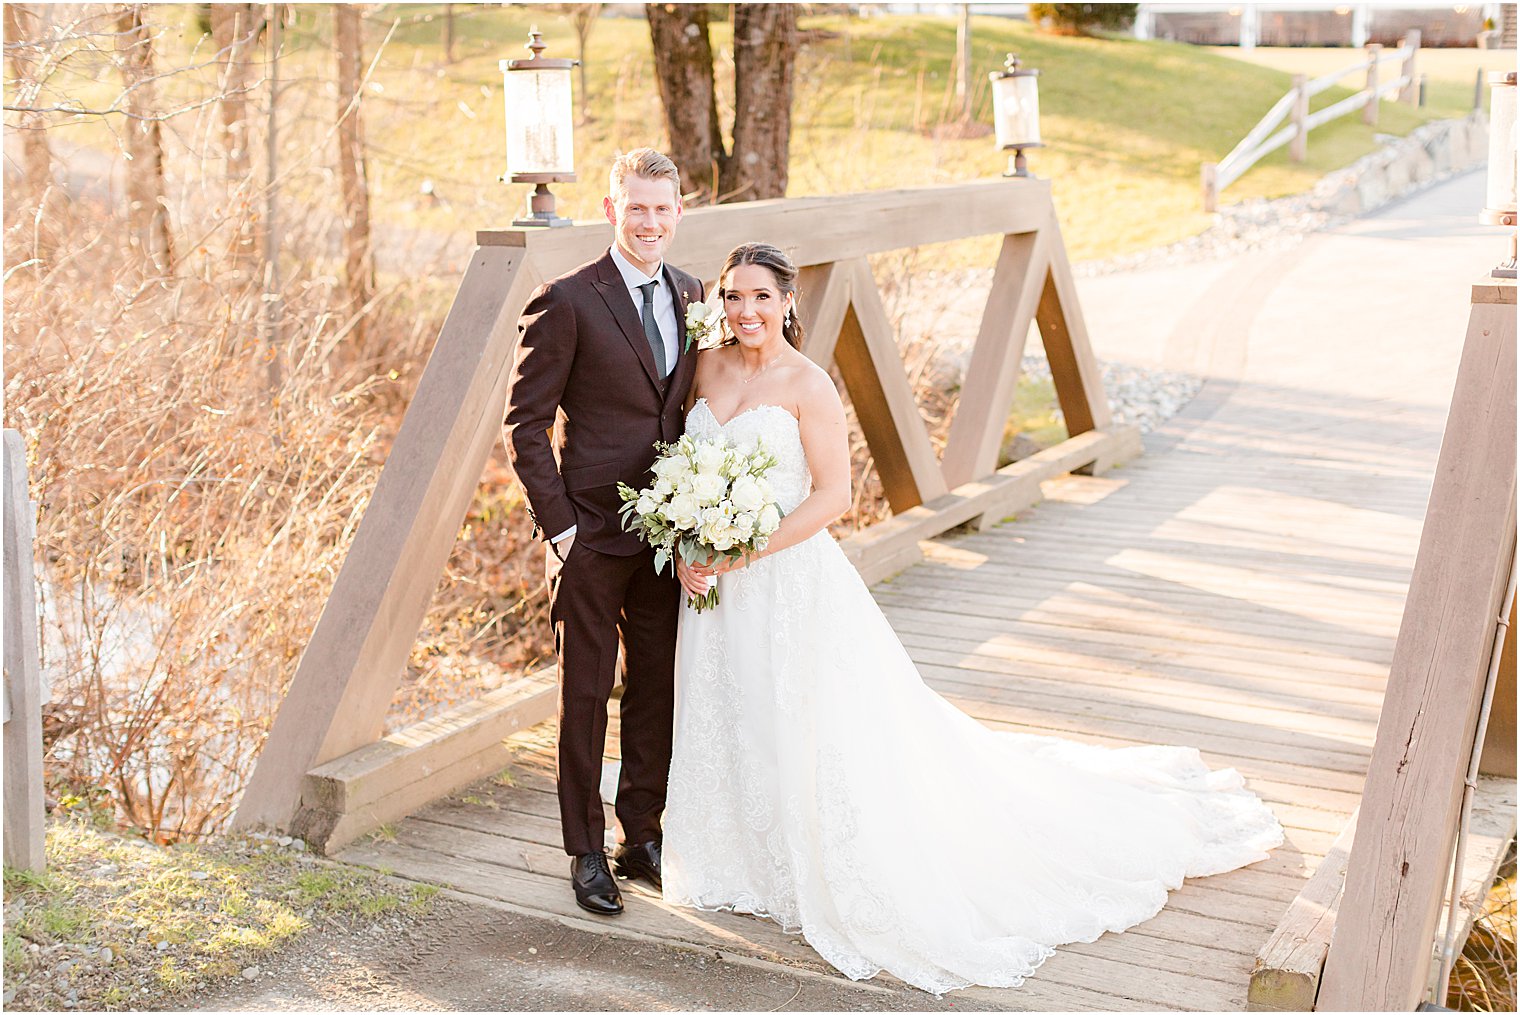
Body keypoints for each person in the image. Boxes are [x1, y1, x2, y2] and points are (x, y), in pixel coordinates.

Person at [662, 242, 1286, 994]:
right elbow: (679, 468)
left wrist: (747, 548)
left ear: (789, 301)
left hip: (784, 577)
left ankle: (813, 864)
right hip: (715, 588)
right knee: (733, 713)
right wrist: (689, 541)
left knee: (807, 721)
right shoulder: (705, 367)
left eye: (762, 297)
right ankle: (739, 858)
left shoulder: (809, 384)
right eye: (733, 296)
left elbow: (833, 498)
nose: (746, 312)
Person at [503, 148, 704, 917]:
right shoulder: (568, 300)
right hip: (589, 534)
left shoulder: (693, 294)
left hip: (667, 536)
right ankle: (585, 849)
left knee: (655, 688)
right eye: (637, 207)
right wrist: (560, 530)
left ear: (679, 211)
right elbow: (525, 425)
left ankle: (639, 833)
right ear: (613, 210)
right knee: (585, 694)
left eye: (663, 207)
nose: (650, 221)